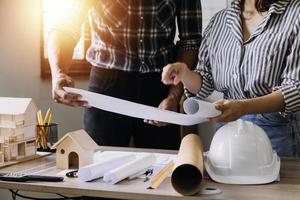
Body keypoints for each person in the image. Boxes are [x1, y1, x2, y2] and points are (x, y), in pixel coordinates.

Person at [48, 0, 202, 150]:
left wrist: (174, 96)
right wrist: (58, 73)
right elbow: (64, 28)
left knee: (162, 165)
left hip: (161, 86)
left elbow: (191, 41)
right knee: (99, 163)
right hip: (106, 87)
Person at [161, 0, 300, 156]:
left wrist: (243, 107)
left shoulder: (295, 14)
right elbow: (205, 81)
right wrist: (185, 74)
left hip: (276, 134)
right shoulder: (219, 21)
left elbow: (295, 90)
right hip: (226, 132)